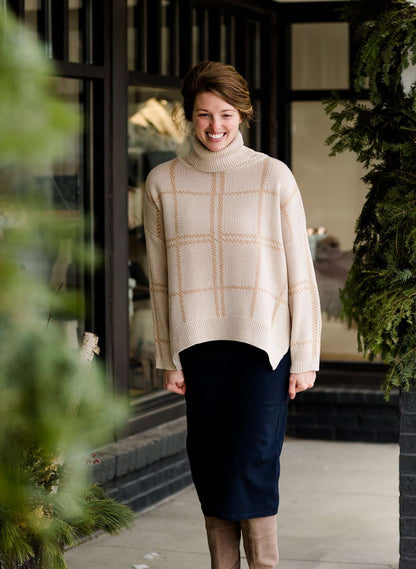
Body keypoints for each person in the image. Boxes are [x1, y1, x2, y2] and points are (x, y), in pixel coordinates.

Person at [144, 61, 321, 569]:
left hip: (263, 351)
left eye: (225, 114)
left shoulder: (272, 176)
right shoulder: (163, 183)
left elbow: (300, 274)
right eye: (203, 115)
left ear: (241, 113)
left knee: (255, 465)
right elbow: (158, 280)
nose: (215, 127)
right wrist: (167, 356)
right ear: (189, 116)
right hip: (199, 353)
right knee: (214, 469)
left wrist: (305, 354)